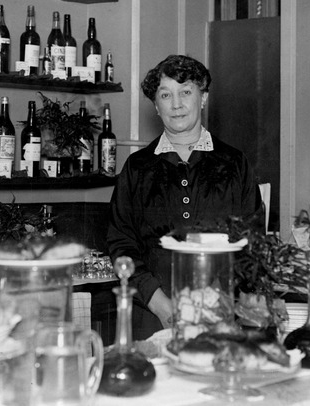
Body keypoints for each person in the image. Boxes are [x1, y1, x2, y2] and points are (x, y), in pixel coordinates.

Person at [107, 54, 262, 340]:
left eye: (186, 92)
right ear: (156, 105)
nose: (176, 104)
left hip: (222, 313)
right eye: (165, 95)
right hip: (152, 317)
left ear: (203, 98)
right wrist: (160, 304)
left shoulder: (234, 163)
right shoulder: (138, 168)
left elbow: (250, 241)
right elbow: (121, 242)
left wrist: (222, 299)